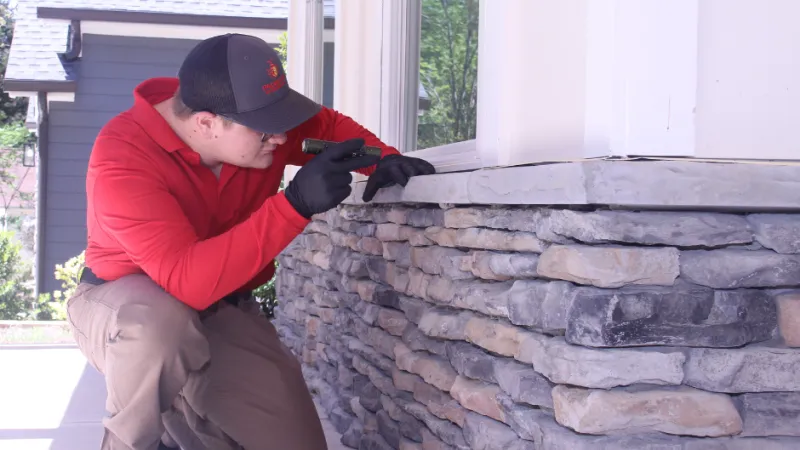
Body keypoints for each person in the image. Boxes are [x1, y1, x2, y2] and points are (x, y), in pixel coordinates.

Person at [66, 33, 435, 450]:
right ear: (206, 123)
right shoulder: (123, 156)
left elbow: (328, 129)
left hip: (222, 305)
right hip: (124, 303)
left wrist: (383, 158)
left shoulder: (255, 125)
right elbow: (187, 282)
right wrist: (293, 205)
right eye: (266, 132)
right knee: (160, 330)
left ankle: (186, 418)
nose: (281, 138)